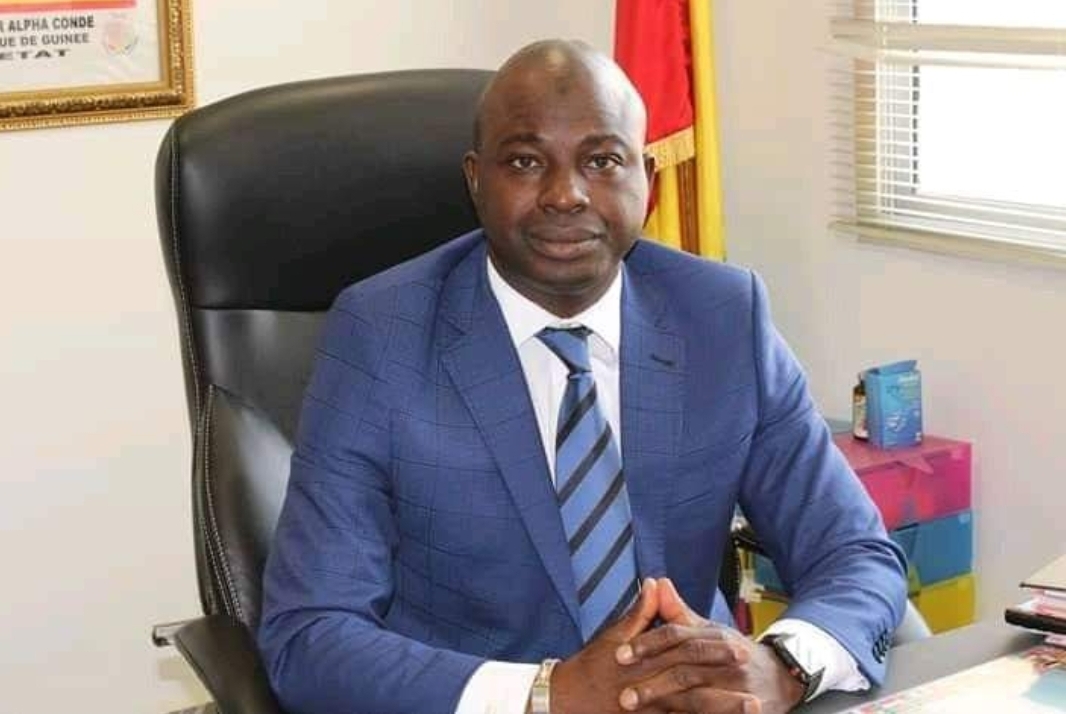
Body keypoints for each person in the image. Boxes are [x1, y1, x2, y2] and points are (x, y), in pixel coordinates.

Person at [258, 39, 907, 714]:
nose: (566, 195)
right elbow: (309, 637)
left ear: (646, 178)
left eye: (601, 161)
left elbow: (855, 553)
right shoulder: (380, 335)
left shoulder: (722, 316)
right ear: (476, 180)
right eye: (525, 161)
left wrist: (783, 667)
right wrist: (548, 695)